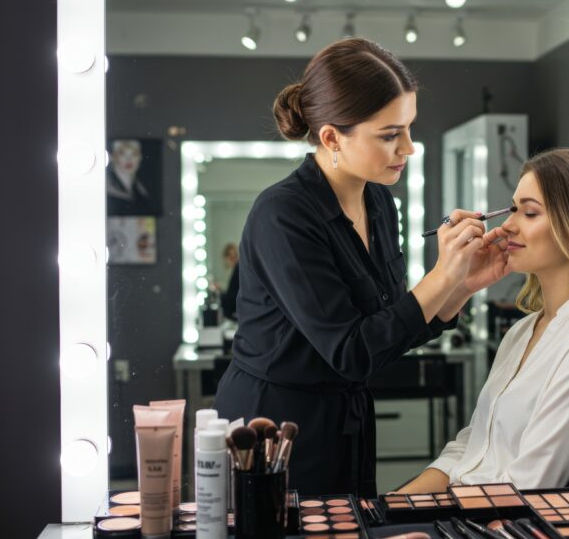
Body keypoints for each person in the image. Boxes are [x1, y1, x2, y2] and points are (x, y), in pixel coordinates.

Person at [213, 38, 508, 497]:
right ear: (332, 137)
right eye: (390, 134)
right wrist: (440, 276)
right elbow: (352, 350)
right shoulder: (282, 215)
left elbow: (387, 332)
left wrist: (461, 286)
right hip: (274, 426)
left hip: (346, 420)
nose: (408, 147)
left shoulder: (380, 203)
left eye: (409, 128)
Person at [398, 149, 569, 492]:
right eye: (513, 209)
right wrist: (392, 505)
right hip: (466, 507)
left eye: (530, 212)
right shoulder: (523, 330)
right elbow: (472, 448)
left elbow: (526, 493)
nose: (507, 225)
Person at [107, 139, 155, 215]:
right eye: (122, 154)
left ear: (140, 158)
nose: (128, 159)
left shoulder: (143, 192)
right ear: (113, 157)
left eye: (134, 154)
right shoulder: (106, 191)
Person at [219, 242, 240, 321]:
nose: (233, 258)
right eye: (231, 256)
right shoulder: (236, 270)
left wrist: (221, 293)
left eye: (235, 255)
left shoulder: (238, 270)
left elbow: (234, 295)